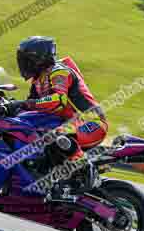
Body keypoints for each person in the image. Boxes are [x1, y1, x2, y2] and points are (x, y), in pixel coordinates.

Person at [8, 36, 108, 195]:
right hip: (67, 123)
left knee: (56, 135)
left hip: (91, 122)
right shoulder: (38, 81)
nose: (22, 64)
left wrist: (25, 104)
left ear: (39, 59)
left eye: (26, 60)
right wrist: (9, 107)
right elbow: (30, 108)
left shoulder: (59, 72)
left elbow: (57, 100)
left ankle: (85, 169)